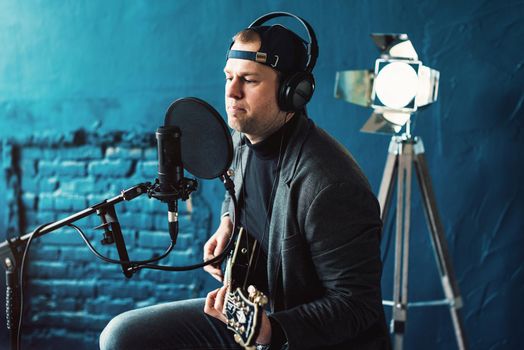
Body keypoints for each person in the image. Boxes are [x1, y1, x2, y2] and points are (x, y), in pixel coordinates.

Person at [100, 13, 390, 350]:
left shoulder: (330, 185)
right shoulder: (244, 138)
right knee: (122, 336)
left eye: (249, 81)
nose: (232, 92)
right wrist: (227, 221)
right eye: (228, 77)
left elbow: (356, 306)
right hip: (245, 318)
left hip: (294, 333)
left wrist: (271, 330)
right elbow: (237, 188)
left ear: (292, 93)